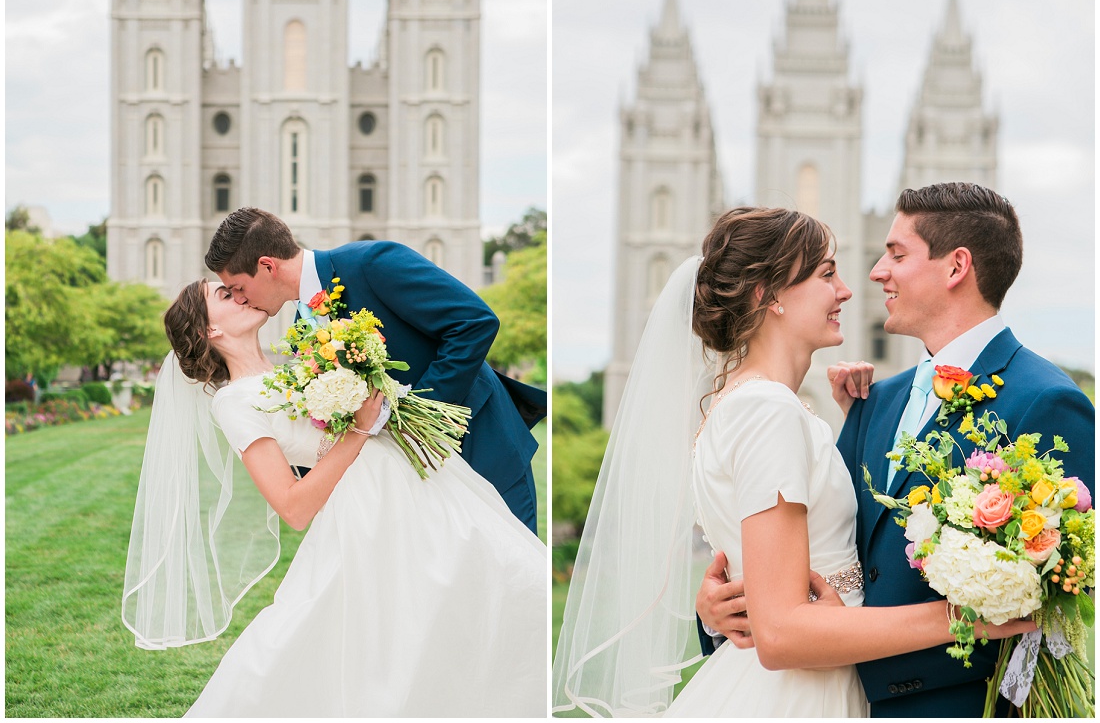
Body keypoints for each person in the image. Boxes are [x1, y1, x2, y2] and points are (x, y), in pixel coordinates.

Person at [551, 207, 1029, 717]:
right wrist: (969, 617)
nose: (846, 290)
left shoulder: (759, 405)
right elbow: (780, 633)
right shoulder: (766, 411)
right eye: (826, 274)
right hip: (800, 693)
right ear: (768, 295)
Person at [696, 184, 1095, 716]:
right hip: (822, 689)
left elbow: (1067, 584)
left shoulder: (1046, 400)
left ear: (956, 267)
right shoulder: (873, 400)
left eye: (896, 255)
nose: (874, 273)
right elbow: (810, 558)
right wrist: (720, 611)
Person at [122, 279, 547, 716]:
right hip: (373, 511)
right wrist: (360, 428)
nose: (241, 295)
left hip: (425, 484)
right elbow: (293, 507)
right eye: (225, 296)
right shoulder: (235, 403)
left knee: (505, 590)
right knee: (393, 638)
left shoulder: (297, 367)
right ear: (210, 331)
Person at [204, 207, 546, 534]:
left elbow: (474, 322)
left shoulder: (372, 262)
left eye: (238, 288)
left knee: (515, 579)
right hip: (412, 482)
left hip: (482, 445)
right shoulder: (301, 332)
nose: (242, 300)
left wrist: (421, 419)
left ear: (267, 266)